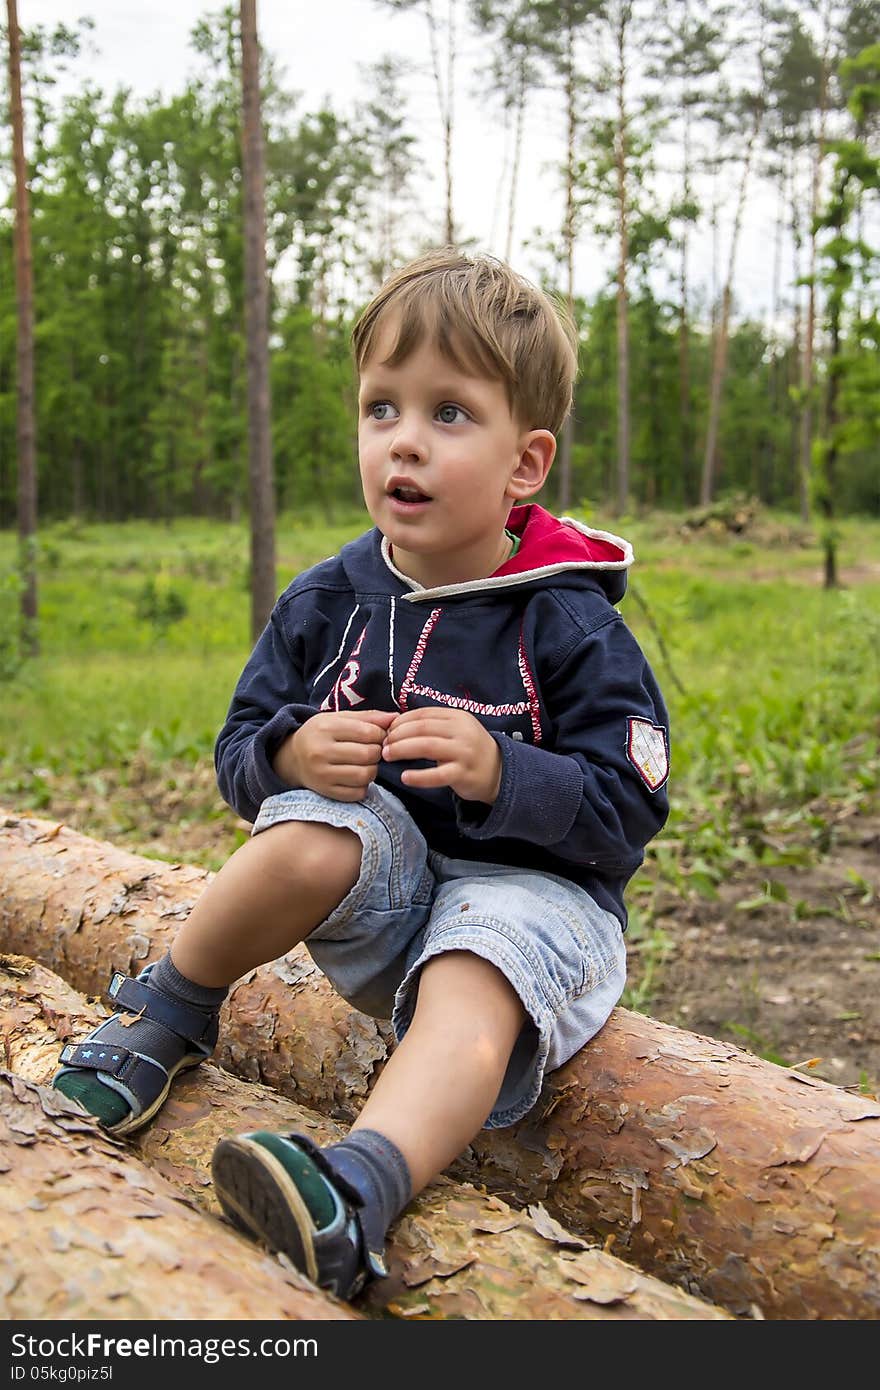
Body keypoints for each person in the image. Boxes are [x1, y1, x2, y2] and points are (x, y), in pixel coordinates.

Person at [53, 248, 670, 1300]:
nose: (405, 442)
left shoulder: (565, 616)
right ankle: (167, 1015)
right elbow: (240, 751)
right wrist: (289, 751)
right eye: (381, 408)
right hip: (387, 900)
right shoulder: (330, 597)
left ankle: (354, 1191)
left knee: (483, 954)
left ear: (525, 464)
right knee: (310, 823)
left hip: (537, 903)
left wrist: (503, 770)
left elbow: (630, 806)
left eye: (448, 414)